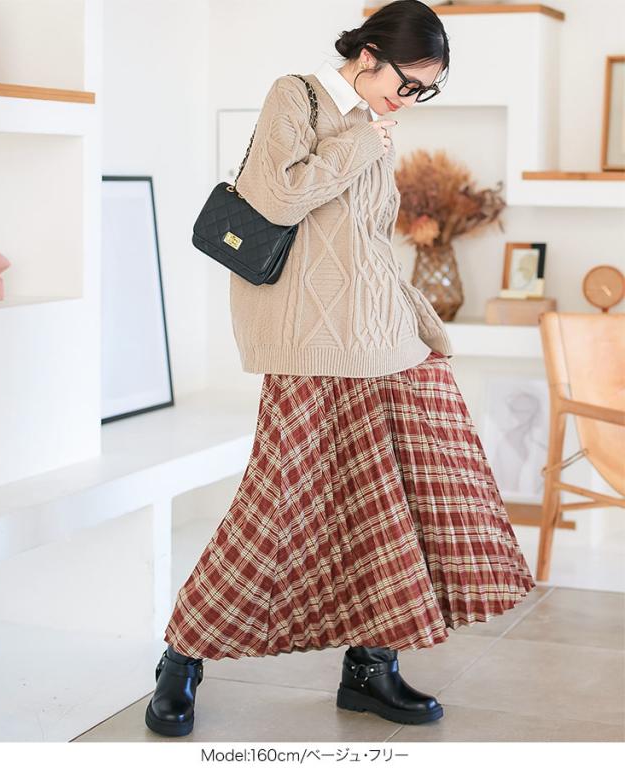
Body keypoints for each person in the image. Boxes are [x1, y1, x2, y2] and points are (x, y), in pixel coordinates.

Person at [145, 0, 536, 738]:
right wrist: (361, 140)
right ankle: (182, 657)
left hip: (387, 342)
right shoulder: (297, 96)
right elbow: (277, 197)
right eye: (408, 83)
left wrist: (418, 319)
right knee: (278, 507)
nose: (411, 99)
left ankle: (370, 667)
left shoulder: (374, 124)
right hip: (313, 347)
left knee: (407, 499)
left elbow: (367, 244)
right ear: (368, 56)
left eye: (426, 91)